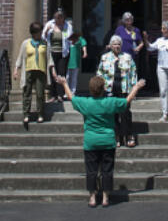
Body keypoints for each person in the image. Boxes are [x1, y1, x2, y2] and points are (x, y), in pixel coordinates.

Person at [56, 73, 145, 207]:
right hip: (108, 140)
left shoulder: (86, 103)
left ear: (91, 90)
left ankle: (92, 197)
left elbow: (71, 97)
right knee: (107, 170)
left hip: (91, 141)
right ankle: (105, 197)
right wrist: (136, 87)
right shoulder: (110, 102)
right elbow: (127, 101)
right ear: (103, 88)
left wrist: (64, 84)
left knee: (91, 170)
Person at [97, 35, 139, 147]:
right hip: (110, 89)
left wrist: (134, 89)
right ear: (110, 46)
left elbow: (133, 73)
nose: (117, 46)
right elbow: (100, 73)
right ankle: (116, 137)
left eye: (119, 44)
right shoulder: (104, 57)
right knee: (113, 114)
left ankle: (128, 135)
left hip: (124, 90)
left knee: (125, 113)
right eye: (114, 44)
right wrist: (101, 89)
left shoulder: (127, 57)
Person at [12, 21, 54, 125]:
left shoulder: (45, 43)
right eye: (38, 32)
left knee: (40, 94)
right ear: (33, 33)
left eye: (40, 31)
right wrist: (16, 70)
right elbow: (20, 57)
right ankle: (26, 114)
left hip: (41, 71)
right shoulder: (26, 43)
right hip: (28, 71)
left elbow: (49, 58)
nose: (40, 34)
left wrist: (53, 71)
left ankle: (40, 114)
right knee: (27, 92)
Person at [43, 8, 72, 102]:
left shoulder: (67, 25)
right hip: (52, 52)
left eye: (61, 17)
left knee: (61, 73)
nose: (59, 19)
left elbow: (70, 38)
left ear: (64, 17)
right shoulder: (49, 24)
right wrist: (47, 31)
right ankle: (53, 95)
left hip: (63, 53)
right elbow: (43, 37)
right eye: (57, 17)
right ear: (54, 17)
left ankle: (60, 95)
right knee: (52, 74)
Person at [66, 29, 88, 95]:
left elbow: (83, 45)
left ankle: (73, 91)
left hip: (75, 61)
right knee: (67, 77)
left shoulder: (79, 38)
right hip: (67, 61)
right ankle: (66, 92)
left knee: (74, 78)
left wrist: (85, 52)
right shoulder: (66, 38)